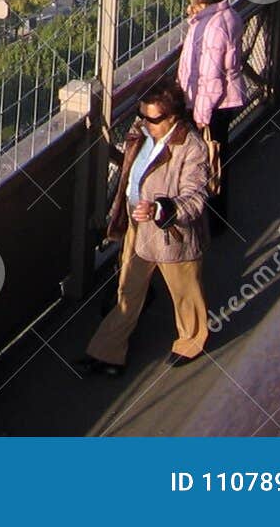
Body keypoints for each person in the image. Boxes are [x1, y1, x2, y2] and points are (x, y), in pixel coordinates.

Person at [79, 81, 210, 375]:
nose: (146, 123)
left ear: (173, 117)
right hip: (139, 224)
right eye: (142, 116)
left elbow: (196, 196)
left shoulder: (192, 148)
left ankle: (191, 340)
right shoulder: (143, 132)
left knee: (185, 291)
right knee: (128, 289)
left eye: (153, 119)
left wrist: (163, 209)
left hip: (171, 232)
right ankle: (107, 351)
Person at [175, 0, 244, 235]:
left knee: (207, 162)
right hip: (226, 100)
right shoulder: (225, 16)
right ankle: (216, 218)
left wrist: (199, 116)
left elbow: (211, 79)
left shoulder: (212, 28)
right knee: (218, 158)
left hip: (212, 105)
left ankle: (211, 222)